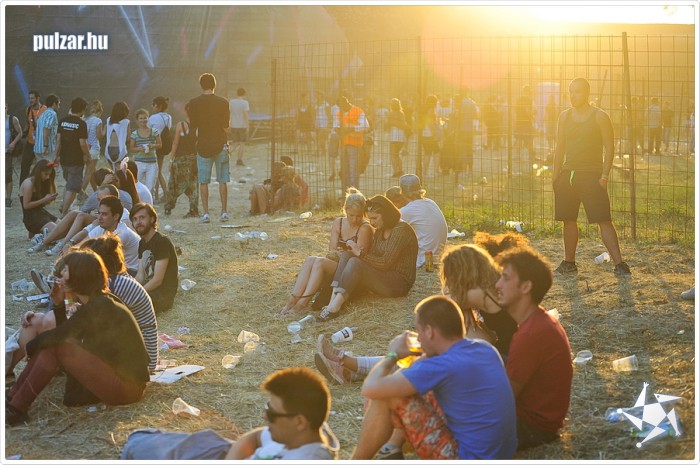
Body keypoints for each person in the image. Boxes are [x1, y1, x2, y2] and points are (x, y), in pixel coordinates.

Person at [350, 295, 517, 460]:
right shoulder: (484, 348)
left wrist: (392, 355)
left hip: (468, 457)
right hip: (501, 453)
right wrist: (424, 354)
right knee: (402, 388)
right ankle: (390, 448)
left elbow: (370, 389)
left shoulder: (441, 365)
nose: (418, 338)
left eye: (419, 331)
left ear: (429, 331)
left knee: (387, 395)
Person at [5, 249, 150, 427]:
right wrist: (59, 304)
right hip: (119, 378)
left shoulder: (100, 306)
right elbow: (66, 331)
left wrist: (30, 348)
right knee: (53, 343)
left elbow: (61, 334)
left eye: (65, 272)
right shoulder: (97, 301)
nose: (60, 277)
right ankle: (13, 398)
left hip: (128, 387)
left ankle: (15, 406)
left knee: (56, 344)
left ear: (79, 276)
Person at [120, 367, 339, 460]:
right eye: (267, 408)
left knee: (135, 446)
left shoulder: (307, 457)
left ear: (300, 422)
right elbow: (255, 437)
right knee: (137, 441)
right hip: (225, 451)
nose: (265, 417)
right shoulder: (297, 433)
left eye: (272, 413)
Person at [494, 246, 573, 449]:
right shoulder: (539, 320)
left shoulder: (531, 334)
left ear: (526, 287)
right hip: (540, 421)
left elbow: (503, 399)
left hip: (531, 428)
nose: (497, 285)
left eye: (505, 278)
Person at [552, 77, 631, 275]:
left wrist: (604, 176)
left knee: (603, 219)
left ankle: (620, 264)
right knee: (568, 219)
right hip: (568, 175)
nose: (573, 95)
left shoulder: (600, 116)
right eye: (571, 91)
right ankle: (569, 263)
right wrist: (555, 177)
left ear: (587, 93)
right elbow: (559, 147)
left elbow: (610, 148)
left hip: (592, 176)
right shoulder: (564, 117)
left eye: (577, 91)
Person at [318, 195, 418, 321]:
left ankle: (334, 307)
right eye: (370, 219)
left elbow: (385, 263)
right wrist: (356, 251)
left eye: (375, 218)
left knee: (355, 262)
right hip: (383, 275)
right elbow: (373, 255)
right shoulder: (381, 229)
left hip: (399, 284)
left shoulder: (401, 230)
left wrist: (360, 253)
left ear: (386, 214)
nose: (372, 223)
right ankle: (332, 300)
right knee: (348, 255)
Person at [277, 188, 373, 318]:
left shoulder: (365, 228)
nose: (355, 219)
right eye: (351, 215)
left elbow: (358, 256)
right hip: (335, 262)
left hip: (348, 269)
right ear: (345, 210)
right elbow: (331, 250)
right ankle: (291, 302)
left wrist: (342, 252)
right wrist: (343, 251)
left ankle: (302, 304)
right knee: (310, 259)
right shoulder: (339, 222)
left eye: (358, 216)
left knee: (319, 262)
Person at [188, 73, 230, 223]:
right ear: (214, 85)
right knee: (222, 180)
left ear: (201, 85)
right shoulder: (223, 102)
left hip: (203, 145)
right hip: (220, 144)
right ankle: (224, 212)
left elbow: (193, 125)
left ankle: (206, 213)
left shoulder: (193, 103)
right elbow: (226, 125)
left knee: (203, 181)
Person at [131, 202, 179, 313]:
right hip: (149, 290)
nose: (138, 222)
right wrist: (130, 290)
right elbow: (141, 275)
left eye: (142, 218)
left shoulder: (162, 242)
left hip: (162, 295)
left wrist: (137, 294)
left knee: (128, 309)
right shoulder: (142, 243)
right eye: (135, 219)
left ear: (152, 219)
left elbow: (157, 280)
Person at [398, 174, 447, 268]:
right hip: (438, 258)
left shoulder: (407, 210)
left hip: (422, 260)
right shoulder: (431, 202)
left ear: (402, 191)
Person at [55, 96, 89, 216]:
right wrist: (88, 156)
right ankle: (64, 213)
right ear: (82, 110)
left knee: (70, 183)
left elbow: (58, 141)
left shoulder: (62, 121)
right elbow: (82, 143)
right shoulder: (82, 123)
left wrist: (56, 156)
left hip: (64, 158)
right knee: (72, 187)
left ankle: (64, 206)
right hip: (76, 159)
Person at [164, 103, 199, 217]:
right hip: (193, 159)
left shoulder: (181, 125)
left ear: (185, 111)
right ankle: (193, 210)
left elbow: (175, 143)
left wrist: (171, 160)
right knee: (193, 186)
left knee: (174, 185)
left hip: (180, 160)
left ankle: (169, 207)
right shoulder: (199, 125)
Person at [336, 96, 369, 190]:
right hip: (343, 143)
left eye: (342, 106)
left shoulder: (358, 111)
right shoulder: (339, 113)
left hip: (355, 143)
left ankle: (354, 191)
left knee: (353, 169)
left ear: (347, 103)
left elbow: (366, 126)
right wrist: (338, 130)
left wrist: (352, 129)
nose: (341, 108)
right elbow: (336, 125)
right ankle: (346, 190)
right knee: (344, 169)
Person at [19, 159, 58, 238]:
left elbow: (39, 204)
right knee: (57, 231)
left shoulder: (40, 182)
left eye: (49, 174)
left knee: (64, 227)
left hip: (42, 214)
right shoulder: (29, 183)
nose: (48, 177)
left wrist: (49, 199)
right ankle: (39, 236)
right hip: (31, 219)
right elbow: (26, 205)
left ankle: (39, 234)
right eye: (46, 174)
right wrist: (44, 199)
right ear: (38, 172)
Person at [129, 108, 162, 193]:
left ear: (148, 118)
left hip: (152, 163)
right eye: (141, 118)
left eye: (145, 118)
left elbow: (160, 145)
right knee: (136, 187)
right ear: (137, 120)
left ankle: (149, 201)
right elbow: (131, 148)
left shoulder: (154, 131)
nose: (143, 120)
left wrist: (153, 145)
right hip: (139, 163)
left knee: (150, 188)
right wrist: (139, 149)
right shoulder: (134, 134)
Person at [148, 96, 173, 203]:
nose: (152, 106)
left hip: (155, 146)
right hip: (165, 146)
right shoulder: (169, 117)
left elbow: (148, 131)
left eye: (154, 105)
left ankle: (160, 195)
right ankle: (163, 195)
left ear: (159, 106)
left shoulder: (153, 117)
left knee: (156, 172)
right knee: (158, 171)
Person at [19, 90, 47, 183]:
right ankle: (22, 188)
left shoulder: (45, 110)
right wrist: (22, 134)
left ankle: (41, 187)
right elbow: (28, 124)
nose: (30, 100)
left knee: (42, 167)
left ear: (38, 98)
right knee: (24, 166)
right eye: (29, 98)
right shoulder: (28, 110)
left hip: (40, 144)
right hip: (30, 143)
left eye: (32, 98)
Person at [80, 99, 104, 200]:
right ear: (99, 112)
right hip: (94, 148)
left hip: (85, 148)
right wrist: (104, 130)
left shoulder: (86, 120)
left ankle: (96, 192)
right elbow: (99, 136)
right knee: (88, 173)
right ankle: (80, 194)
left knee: (92, 172)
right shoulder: (98, 121)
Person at [386, 98, 411, 178]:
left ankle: (395, 171)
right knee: (396, 154)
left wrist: (390, 121)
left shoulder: (391, 114)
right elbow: (404, 125)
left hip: (394, 136)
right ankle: (400, 170)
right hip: (401, 136)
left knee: (393, 154)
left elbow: (388, 125)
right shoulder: (401, 113)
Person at [33, 93, 60, 164]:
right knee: (49, 168)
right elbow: (46, 128)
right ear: (54, 103)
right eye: (58, 104)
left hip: (37, 148)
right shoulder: (52, 114)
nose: (59, 107)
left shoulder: (42, 114)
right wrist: (46, 146)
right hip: (47, 149)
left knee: (40, 169)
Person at [5, 104, 23, 207]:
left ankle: (8, 198)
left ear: (7, 108)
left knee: (7, 175)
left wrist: (13, 143)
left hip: (7, 151)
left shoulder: (12, 119)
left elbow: (20, 133)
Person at [104, 101, 130, 171]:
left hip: (108, 150)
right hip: (120, 150)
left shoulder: (108, 120)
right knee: (122, 173)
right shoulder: (126, 122)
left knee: (114, 171)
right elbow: (128, 138)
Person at [419, 95, 441, 178]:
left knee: (428, 153)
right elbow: (430, 123)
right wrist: (435, 134)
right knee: (436, 152)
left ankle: (425, 172)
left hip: (424, 134)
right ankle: (435, 171)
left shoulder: (424, 110)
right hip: (430, 134)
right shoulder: (431, 110)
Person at [229, 87, 249, 167]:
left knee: (235, 142)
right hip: (242, 125)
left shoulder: (231, 102)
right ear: (244, 94)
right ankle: (239, 160)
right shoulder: (245, 103)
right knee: (242, 144)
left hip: (233, 124)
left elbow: (230, 113)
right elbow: (245, 115)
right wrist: (248, 125)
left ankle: (227, 153)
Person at [514, 85, 536, 162]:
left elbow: (515, 111)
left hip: (518, 122)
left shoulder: (518, 99)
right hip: (527, 122)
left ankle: (517, 156)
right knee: (530, 139)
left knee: (519, 139)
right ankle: (531, 156)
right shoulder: (528, 99)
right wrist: (532, 118)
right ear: (529, 91)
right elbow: (528, 110)